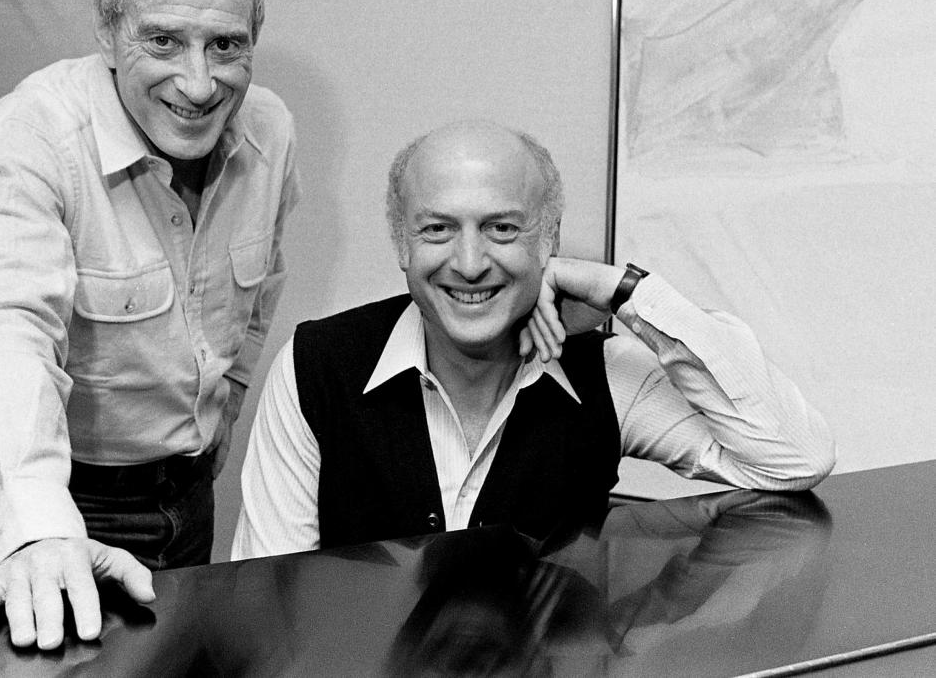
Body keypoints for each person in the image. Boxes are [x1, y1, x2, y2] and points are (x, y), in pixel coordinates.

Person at [0, 0, 298, 649]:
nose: (198, 83)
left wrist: (222, 407)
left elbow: (259, 295)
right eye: (162, 40)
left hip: (193, 493)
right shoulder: (32, 135)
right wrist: (37, 528)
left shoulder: (272, 131)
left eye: (225, 45)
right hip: (77, 504)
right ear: (108, 31)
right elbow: (7, 331)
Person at [232, 119, 833, 559]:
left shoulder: (608, 375)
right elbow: (270, 596)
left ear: (548, 240)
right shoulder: (315, 367)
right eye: (438, 228)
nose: (469, 263)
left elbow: (794, 457)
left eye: (502, 228)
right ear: (401, 244)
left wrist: (622, 290)